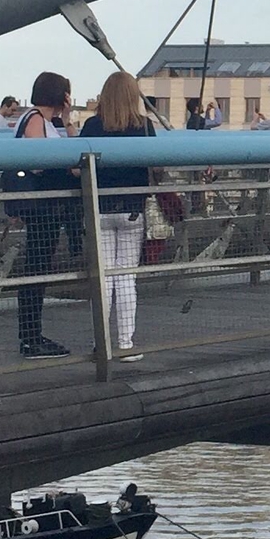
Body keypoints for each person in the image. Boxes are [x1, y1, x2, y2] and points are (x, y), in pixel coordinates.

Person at [78, 71, 154, 361]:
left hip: (100, 209)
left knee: (103, 278)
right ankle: (126, 343)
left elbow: (76, 166)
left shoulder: (92, 126)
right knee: (125, 277)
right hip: (132, 208)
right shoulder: (144, 127)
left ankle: (101, 343)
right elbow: (153, 163)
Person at [10, 71, 77, 358]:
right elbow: (39, 161)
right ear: (61, 95)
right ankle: (29, 338)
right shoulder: (36, 119)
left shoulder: (47, 121)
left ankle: (33, 334)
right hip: (41, 207)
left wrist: (68, 121)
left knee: (38, 268)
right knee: (35, 269)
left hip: (44, 207)